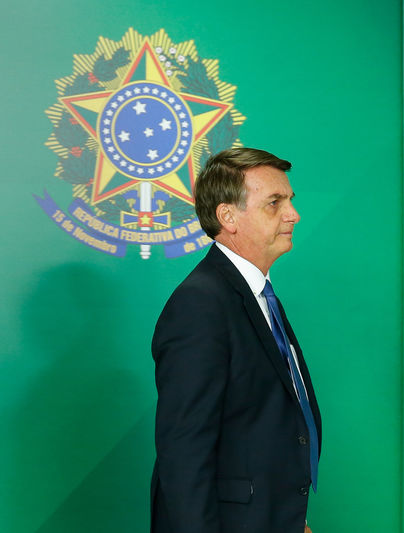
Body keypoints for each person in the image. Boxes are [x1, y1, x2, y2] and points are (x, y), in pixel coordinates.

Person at [150, 147, 321, 533]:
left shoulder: (255, 294)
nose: (293, 214)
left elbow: (256, 425)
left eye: (290, 200)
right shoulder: (200, 304)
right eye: (274, 202)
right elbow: (184, 454)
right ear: (228, 217)